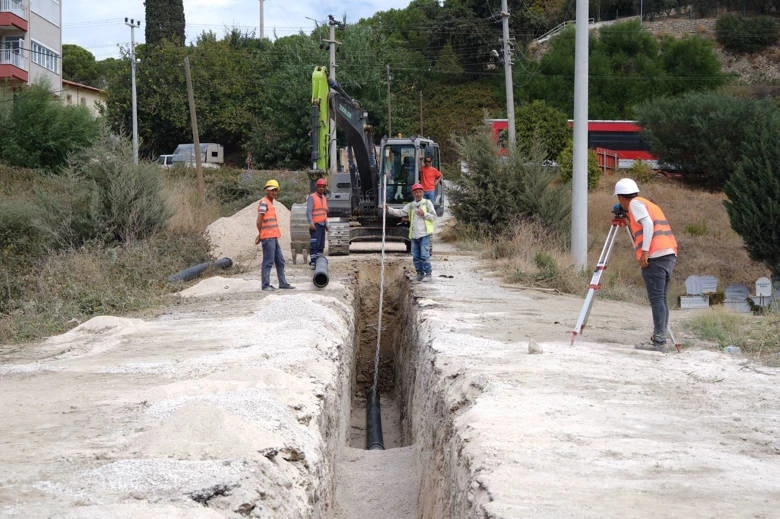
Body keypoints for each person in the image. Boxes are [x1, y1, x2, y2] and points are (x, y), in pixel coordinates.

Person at [614, 178, 678, 352]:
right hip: (668, 253)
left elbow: (648, 225)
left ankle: (659, 341)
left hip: (655, 256)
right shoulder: (648, 204)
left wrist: (645, 251)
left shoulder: (634, 204)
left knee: (657, 299)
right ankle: (660, 337)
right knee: (661, 299)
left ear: (621, 197)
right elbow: (645, 225)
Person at [385, 183, 436, 282]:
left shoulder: (427, 203)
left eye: (420, 192)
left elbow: (434, 217)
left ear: (423, 192)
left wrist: (424, 214)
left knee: (424, 255)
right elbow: (400, 212)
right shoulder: (411, 205)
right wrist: (389, 209)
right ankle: (420, 274)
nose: (418, 194)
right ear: (413, 193)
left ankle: (428, 274)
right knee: (416, 256)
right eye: (416, 192)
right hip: (414, 235)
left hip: (424, 234)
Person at [255, 179, 294, 291]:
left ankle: (282, 283)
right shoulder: (264, 203)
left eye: (276, 190)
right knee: (268, 261)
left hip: (273, 236)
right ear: (266, 191)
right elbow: (259, 221)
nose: (274, 193)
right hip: (267, 237)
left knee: (280, 260)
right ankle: (265, 285)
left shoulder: (270, 203)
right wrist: (261, 234)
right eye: (272, 190)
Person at [307, 177, 329, 269]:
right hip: (315, 225)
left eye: (323, 187)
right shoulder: (312, 197)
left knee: (321, 244)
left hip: (322, 225)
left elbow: (324, 212)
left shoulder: (324, 198)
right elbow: (308, 212)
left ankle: (319, 260)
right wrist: (311, 223)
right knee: (314, 244)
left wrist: (327, 224)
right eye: (320, 187)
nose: (321, 188)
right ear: (317, 187)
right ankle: (313, 262)